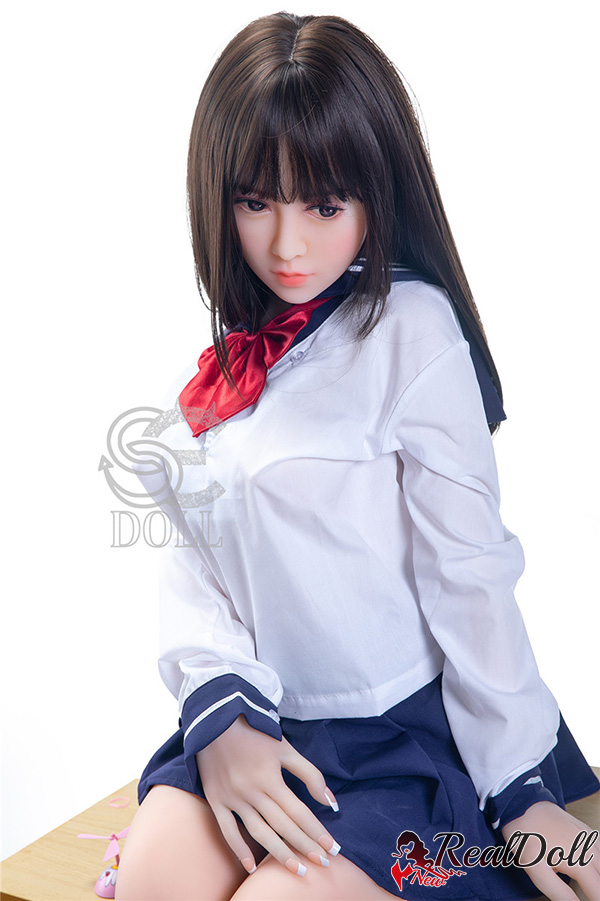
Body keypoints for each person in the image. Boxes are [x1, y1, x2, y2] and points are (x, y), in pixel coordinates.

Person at [115, 12, 600, 901]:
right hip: (265, 721)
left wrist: (523, 786)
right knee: (155, 876)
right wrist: (219, 710)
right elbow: (196, 564)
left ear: (379, 193)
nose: (287, 244)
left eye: (325, 205)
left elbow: (469, 572)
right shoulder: (239, 359)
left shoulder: (411, 333)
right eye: (255, 202)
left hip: (399, 737)